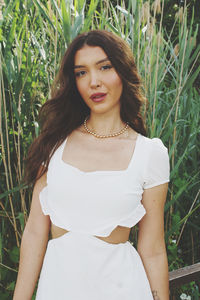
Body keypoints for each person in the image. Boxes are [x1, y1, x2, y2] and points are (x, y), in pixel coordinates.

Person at [13, 30, 170, 300]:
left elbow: (153, 249)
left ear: (123, 71)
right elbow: (35, 232)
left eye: (105, 67)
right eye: (81, 72)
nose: (93, 82)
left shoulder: (149, 154)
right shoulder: (54, 144)